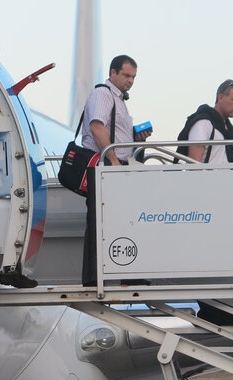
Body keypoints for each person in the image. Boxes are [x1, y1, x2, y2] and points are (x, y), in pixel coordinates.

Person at [80, 54, 152, 286]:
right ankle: (94, 280)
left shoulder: (120, 100)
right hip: (106, 167)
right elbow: (96, 126)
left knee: (124, 220)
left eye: (133, 77)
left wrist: (137, 138)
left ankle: (129, 274)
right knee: (100, 223)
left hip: (116, 167)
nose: (130, 80)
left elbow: (113, 132)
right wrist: (112, 159)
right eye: (126, 75)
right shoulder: (103, 93)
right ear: (113, 73)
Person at [176, 79, 233, 164]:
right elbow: (193, 165)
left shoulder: (228, 130)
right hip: (208, 177)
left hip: (228, 176)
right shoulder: (203, 123)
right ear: (220, 98)